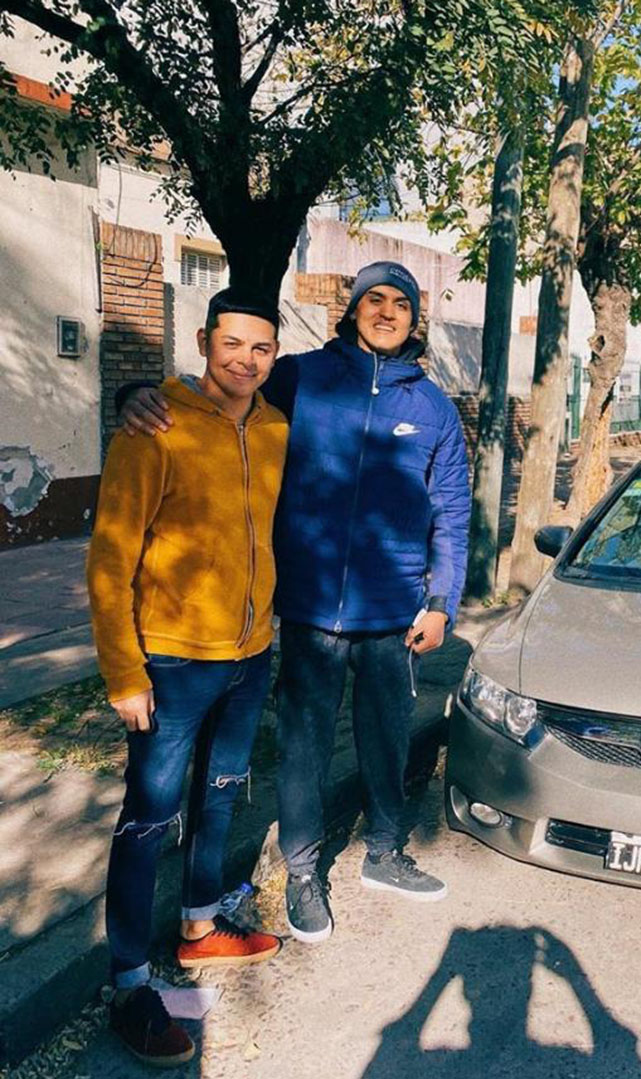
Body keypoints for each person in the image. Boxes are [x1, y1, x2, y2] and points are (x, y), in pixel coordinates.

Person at [119, 261, 471, 945]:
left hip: (394, 613)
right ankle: (304, 872)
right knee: (305, 748)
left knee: (387, 736)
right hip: (307, 609)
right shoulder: (301, 376)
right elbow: (219, 395)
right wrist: (136, 392)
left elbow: (450, 511)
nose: (387, 311)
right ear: (354, 307)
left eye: (402, 302)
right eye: (376, 299)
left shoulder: (432, 408)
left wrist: (440, 600)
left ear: (413, 317)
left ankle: (386, 851)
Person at [88, 290, 288, 1066]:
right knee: (148, 818)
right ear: (203, 340)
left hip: (249, 654)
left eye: (261, 348)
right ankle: (130, 982)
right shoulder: (155, 426)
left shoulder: (274, 426)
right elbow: (110, 554)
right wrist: (123, 671)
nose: (245, 359)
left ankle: (201, 925)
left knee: (223, 790)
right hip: (169, 662)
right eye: (231, 343)